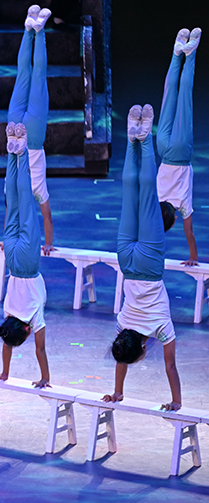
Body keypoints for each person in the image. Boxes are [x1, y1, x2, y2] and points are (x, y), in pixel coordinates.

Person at [103, 104, 181, 412]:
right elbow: (120, 357)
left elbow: (170, 367)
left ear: (144, 349)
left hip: (148, 265)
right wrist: (116, 391)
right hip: (127, 261)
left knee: (147, 195)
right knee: (131, 195)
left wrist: (177, 401)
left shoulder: (160, 329)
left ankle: (145, 136)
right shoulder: (122, 327)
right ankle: (132, 139)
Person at [0, 123, 52, 387]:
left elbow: (40, 349)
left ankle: (21, 149)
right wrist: (4, 373)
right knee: (13, 202)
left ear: (26, 330)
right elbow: (7, 343)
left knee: (24, 201)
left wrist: (45, 378)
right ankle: (11, 151)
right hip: (12, 260)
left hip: (27, 261)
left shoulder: (33, 318)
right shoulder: (9, 314)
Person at [9, 5, 55, 243]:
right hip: (15, 131)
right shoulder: (12, 189)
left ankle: (38, 30)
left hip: (32, 137)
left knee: (37, 76)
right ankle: (29, 29)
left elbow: (48, 219)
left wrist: (48, 244)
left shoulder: (36, 192)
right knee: (24, 74)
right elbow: (8, 218)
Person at [156, 28, 201, 266]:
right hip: (162, 148)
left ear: (173, 221)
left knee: (185, 97)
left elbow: (189, 234)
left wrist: (193, 257)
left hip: (181, 152)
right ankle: (176, 53)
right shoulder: (154, 199)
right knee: (169, 96)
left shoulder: (183, 207)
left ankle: (190, 53)